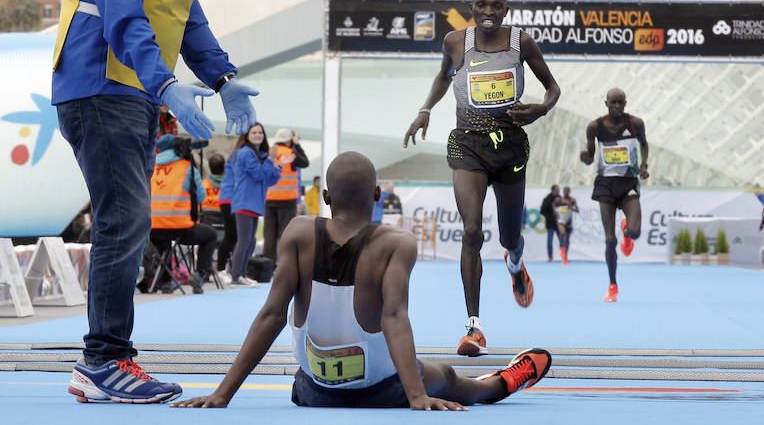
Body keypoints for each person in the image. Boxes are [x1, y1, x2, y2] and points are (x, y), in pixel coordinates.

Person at [54, 0, 259, 404]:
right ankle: (104, 360)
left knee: (128, 219)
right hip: (100, 85)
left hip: (136, 93)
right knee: (125, 220)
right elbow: (123, 14)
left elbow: (186, 15)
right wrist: (167, 83)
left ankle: (107, 359)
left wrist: (222, 77)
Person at [172, 152, 551, 410]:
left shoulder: (299, 232)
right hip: (388, 392)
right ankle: (502, 382)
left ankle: (445, 381)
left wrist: (223, 394)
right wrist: (416, 397)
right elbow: (393, 317)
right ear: (375, 195)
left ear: (324, 196)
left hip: (314, 393)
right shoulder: (395, 242)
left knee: (339, 367)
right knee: (452, 379)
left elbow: (272, 314)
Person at [403, 0, 560, 357]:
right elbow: (444, 76)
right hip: (468, 144)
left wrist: (541, 108)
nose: (489, 11)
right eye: (481, 5)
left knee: (509, 237)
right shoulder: (456, 41)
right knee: (471, 230)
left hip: (509, 146)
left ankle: (515, 261)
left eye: (497, 5)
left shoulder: (523, 42)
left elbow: (553, 88)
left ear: (506, 9)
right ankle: (474, 327)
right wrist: (425, 110)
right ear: (471, 7)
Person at [580, 88, 649, 303]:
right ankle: (613, 286)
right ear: (606, 103)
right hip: (606, 185)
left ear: (626, 103)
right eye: (613, 102)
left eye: (621, 102)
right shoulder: (595, 127)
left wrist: (644, 165)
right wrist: (585, 158)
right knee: (610, 240)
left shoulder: (635, 123)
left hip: (628, 182)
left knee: (636, 231)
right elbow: (590, 157)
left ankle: (627, 232)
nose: (617, 106)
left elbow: (644, 144)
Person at [144, 134, 217, 294]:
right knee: (211, 235)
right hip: (179, 227)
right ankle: (200, 275)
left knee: (163, 241)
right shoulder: (186, 167)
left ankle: (165, 282)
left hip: (151, 227)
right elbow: (201, 197)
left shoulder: (149, 167)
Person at [229, 123, 285, 286]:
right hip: (244, 201)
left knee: (250, 241)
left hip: (253, 203)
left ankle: (242, 273)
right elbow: (259, 174)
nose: (258, 135)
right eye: (254, 132)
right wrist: (269, 159)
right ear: (247, 135)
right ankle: (236, 275)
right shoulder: (246, 153)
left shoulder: (258, 155)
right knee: (244, 240)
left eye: (260, 132)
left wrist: (277, 165)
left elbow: (268, 179)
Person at [264, 129, 309, 263]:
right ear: (289, 140)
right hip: (287, 200)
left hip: (270, 199)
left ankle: (268, 265)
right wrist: (297, 145)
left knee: (269, 235)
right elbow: (305, 162)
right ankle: (285, 264)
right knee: (285, 234)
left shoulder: (269, 152)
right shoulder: (291, 153)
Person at [216, 146, 237, 284]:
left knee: (233, 236)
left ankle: (224, 269)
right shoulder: (237, 161)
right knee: (231, 236)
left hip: (230, 199)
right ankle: (221, 269)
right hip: (231, 200)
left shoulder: (233, 161)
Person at [553, 186, 579, 265]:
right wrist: (555, 211)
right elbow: (553, 205)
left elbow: (577, 210)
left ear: (569, 191)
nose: (566, 192)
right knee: (562, 234)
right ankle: (562, 250)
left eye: (568, 191)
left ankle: (565, 256)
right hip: (561, 220)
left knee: (567, 239)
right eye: (565, 191)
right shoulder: (559, 200)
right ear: (563, 191)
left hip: (568, 221)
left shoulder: (572, 200)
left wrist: (571, 207)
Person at [200, 152, 225, 230]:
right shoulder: (230, 185)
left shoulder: (202, 184)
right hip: (226, 222)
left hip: (206, 222)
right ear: (224, 167)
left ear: (210, 168)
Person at [539, 185, 560, 262]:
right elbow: (542, 211)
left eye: (559, 190)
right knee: (549, 241)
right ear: (553, 190)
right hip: (550, 223)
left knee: (562, 240)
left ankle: (564, 256)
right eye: (557, 190)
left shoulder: (560, 199)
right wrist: (550, 216)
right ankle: (550, 257)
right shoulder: (547, 199)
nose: (558, 191)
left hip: (559, 223)